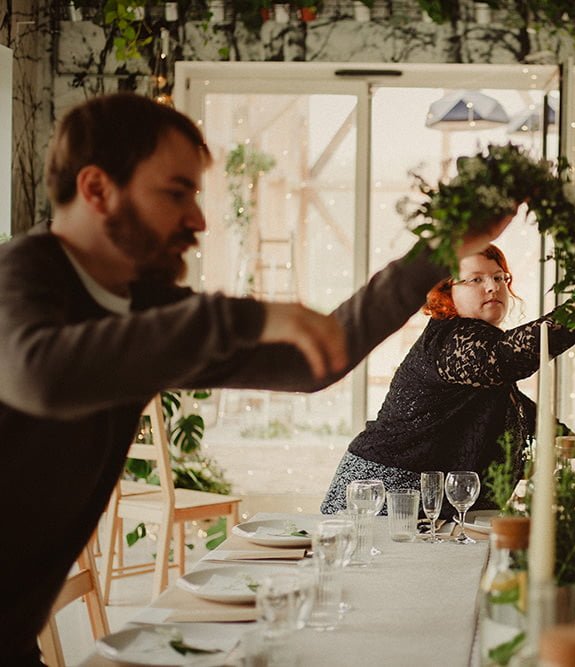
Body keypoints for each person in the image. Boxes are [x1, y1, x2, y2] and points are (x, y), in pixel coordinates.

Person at [0, 93, 510, 665]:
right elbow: (41, 373)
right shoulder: (19, 275)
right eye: (176, 193)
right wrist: (243, 316)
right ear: (97, 189)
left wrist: (441, 247)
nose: (197, 220)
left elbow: (314, 360)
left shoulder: (142, 308)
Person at [320, 244, 575, 517]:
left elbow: (507, 400)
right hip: (380, 496)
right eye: (475, 279)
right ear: (447, 291)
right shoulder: (450, 339)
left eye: (499, 277)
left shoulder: (475, 341)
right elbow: (505, 358)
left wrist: (560, 434)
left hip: (429, 502)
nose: (493, 287)